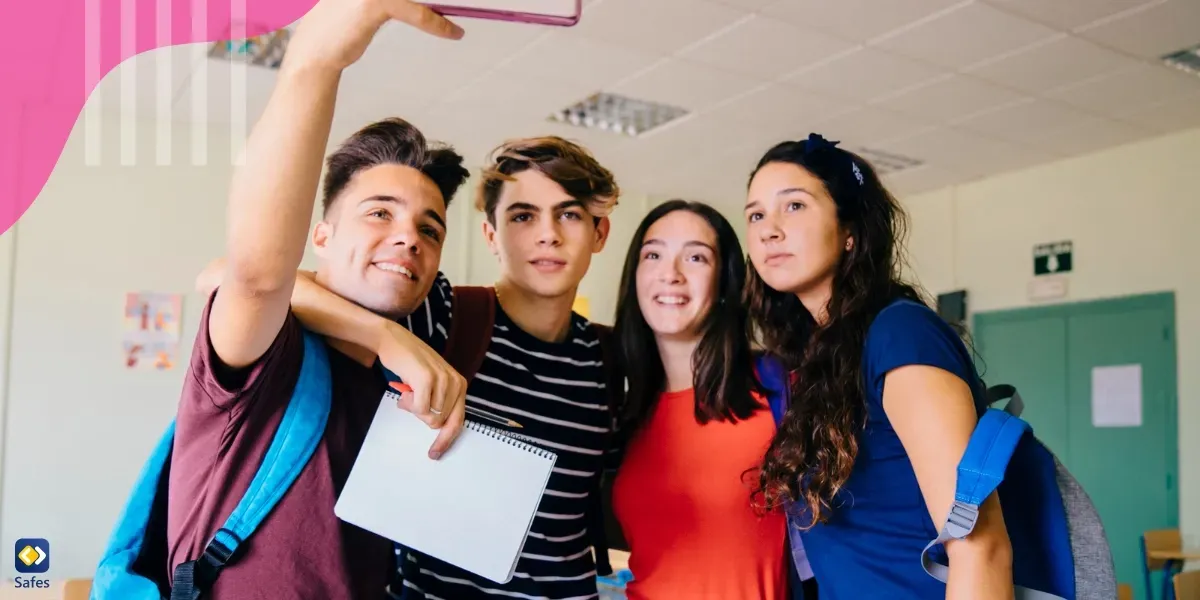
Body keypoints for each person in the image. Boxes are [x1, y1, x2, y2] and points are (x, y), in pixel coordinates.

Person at [197, 135, 623, 600]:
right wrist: (388, 336)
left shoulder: (610, 356)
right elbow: (224, 277)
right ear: (491, 235)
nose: (548, 234)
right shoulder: (443, 312)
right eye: (523, 216)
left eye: (569, 214)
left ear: (599, 233)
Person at [168, 1, 476, 598]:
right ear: (322, 236)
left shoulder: (407, 391)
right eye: (379, 213)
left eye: (430, 229)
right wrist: (314, 62)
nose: (409, 237)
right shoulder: (266, 351)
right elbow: (255, 275)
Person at [743, 134, 1014, 600]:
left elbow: (978, 545)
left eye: (794, 206)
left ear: (850, 230)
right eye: (755, 215)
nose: (769, 229)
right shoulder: (819, 358)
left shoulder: (900, 335)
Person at [606, 199, 797, 600]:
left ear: (726, 285)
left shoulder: (778, 388)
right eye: (653, 254)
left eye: (695, 257)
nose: (670, 274)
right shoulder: (623, 413)